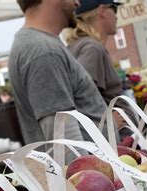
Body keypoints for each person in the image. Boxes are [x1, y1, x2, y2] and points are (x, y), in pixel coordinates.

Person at [9, 0, 107, 144]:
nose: (77, 3)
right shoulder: (42, 51)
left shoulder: (42, 45)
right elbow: (67, 145)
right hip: (88, 166)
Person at [65, 0, 135, 137]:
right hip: (114, 142)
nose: (116, 16)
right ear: (102, 10)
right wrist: (107, 124)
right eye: (114, 9)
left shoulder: (80, 46)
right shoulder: (92, 48)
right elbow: (80, 95)